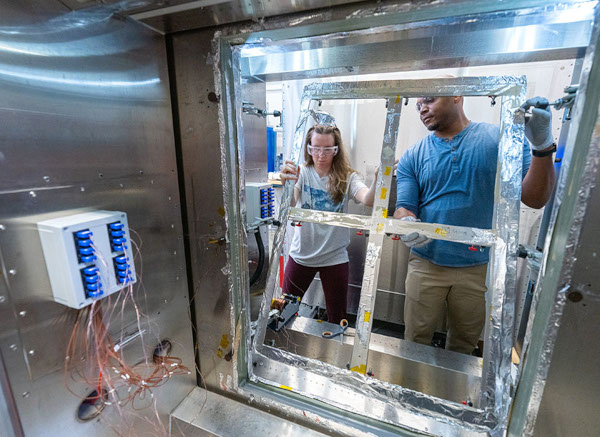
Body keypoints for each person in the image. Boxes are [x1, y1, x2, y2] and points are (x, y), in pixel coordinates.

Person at [393, 95, 555, 354]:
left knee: (464, 345)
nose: (422, 108)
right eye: (418, 104)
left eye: (430, 100)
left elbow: (536, 198)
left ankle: (455, 394)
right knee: (415, 339)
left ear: (458, 96)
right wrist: (406, 223)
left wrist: (542, 146)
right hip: (426, 263)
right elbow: (404, 207)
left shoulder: (498, 140)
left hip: (476, 267)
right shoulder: (413, 156)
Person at [279, 123, 377, 324]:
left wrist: (379, 180)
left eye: (327, 149)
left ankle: (334, 354)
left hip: (334, 257)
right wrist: (286, 184)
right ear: (308, 148)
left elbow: (368, 199)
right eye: (315, 148)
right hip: (302, 254)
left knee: (337, 318)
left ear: (336, 150)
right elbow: (291, 203)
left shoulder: (347, 177)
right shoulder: (302, 173)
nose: (320, 155)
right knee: (284, 312)